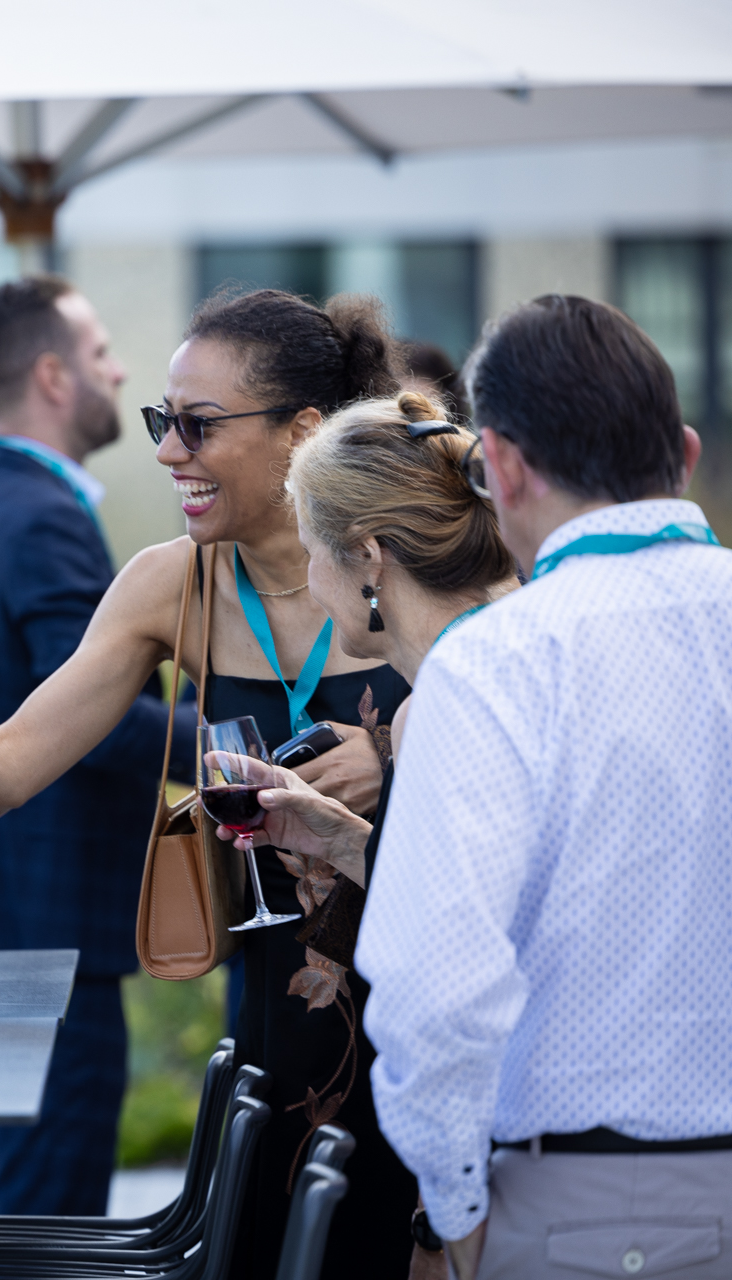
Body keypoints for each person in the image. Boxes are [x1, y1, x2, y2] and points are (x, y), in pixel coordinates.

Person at [0, 287, 421, 1277]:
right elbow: (1, 771)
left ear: (301, 431)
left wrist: (396, 757)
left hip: (426, 1026)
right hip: (271, 1038)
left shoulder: (409, 558)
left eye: (197, 424)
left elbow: (531, 754)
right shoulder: (168, 581)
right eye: (160, 421)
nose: (167, 451)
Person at [356, 296, 728, 1280]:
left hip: (596, 1212)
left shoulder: (496, 661)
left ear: (503, 466)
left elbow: (432, 993)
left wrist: (453, 1213)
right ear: (684, 455)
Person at [201, 386, 518, 1276]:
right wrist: (341, 839)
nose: (308, 581)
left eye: (312, 553)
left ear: (368, 557)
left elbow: (458, 981)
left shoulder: (453, 697)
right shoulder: (479, 667)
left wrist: (438, 1223)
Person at [0, 275, 192, 1215]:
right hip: (45, 931)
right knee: (46, 1235)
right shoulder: (44, 518)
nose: (118, 370)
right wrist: (250, 748)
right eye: (100, 352)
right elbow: (95, 723)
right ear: (51, 376)